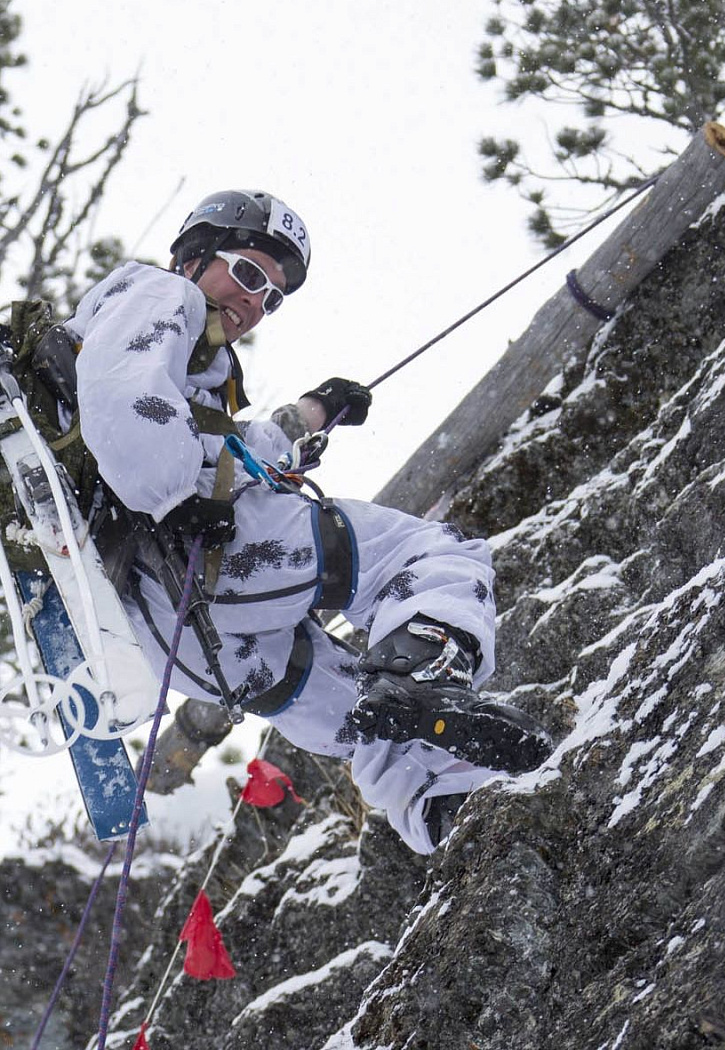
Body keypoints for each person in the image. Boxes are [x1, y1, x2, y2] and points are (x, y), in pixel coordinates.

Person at [63, 190, 552, 853]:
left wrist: (315, 411)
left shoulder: (186, 371)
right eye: (247, 273)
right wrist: (176, 500)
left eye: (271, 297)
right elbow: (127, 401)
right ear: (193, 257)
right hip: (209, 554)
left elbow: (227, 451)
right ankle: (426, 667)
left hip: (180, 639)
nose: (254, 301)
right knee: (419, 553)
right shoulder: (159, 293)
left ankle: (443, 804)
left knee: (361, 710)